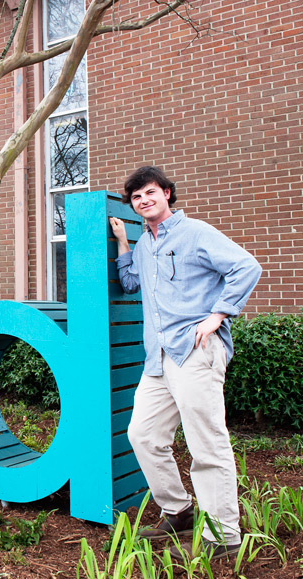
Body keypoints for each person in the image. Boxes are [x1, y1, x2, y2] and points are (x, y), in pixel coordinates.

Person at [108, 166, 261, 559]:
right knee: (142, 435)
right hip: (158, 360)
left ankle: (223, 537)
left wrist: (219, 314)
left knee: (207, 445)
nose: (144, 200)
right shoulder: (143, 245)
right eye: (137, 197)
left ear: (168, 194)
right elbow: (130, 283)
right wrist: (124, 242)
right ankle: (178, 511)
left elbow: (246, 267)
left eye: (150, 192)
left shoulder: (195, 233)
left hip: (194, 351)